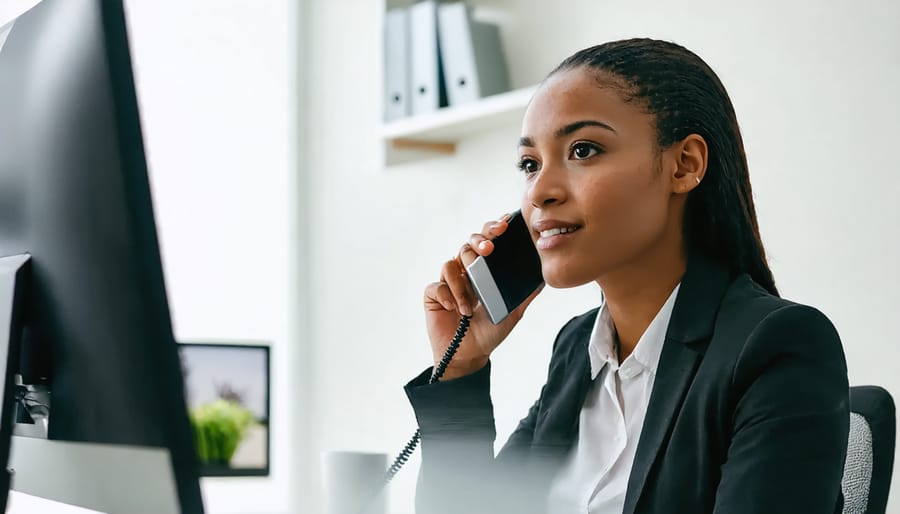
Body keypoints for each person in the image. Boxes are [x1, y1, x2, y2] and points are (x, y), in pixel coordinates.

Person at [403, 38, 849, 514]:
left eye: (583, 150)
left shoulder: (778, 347)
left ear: (684, 165)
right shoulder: (578, 351)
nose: (540, 192)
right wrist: (461, 369)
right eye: (530, 164)